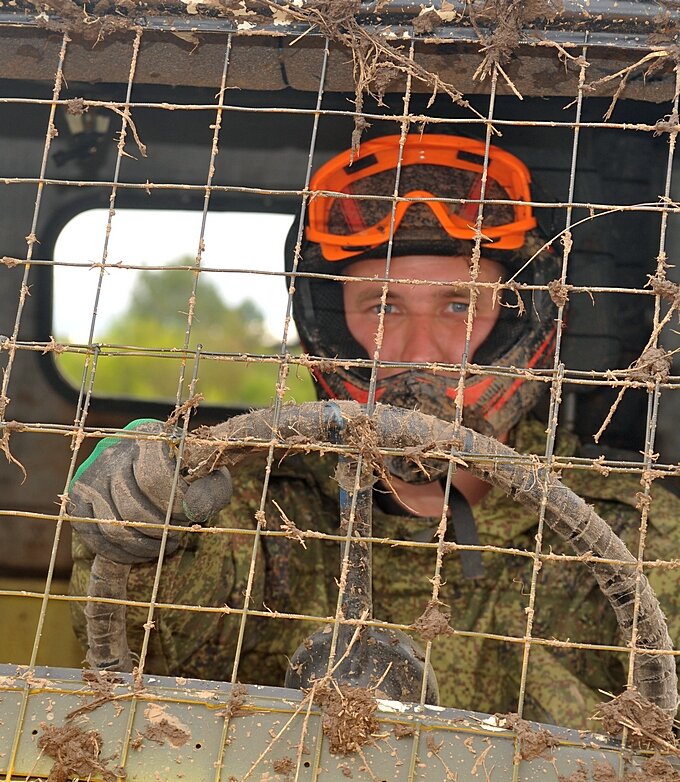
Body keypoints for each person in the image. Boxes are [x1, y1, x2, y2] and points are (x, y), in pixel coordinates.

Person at [69, 133, 680, 730]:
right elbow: (154, 641)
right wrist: (149, 523)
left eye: (460, 305)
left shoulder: (633, 529)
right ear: (329, 327)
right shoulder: (258, 509)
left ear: (523, 322)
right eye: (383, 305)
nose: (421, 353)